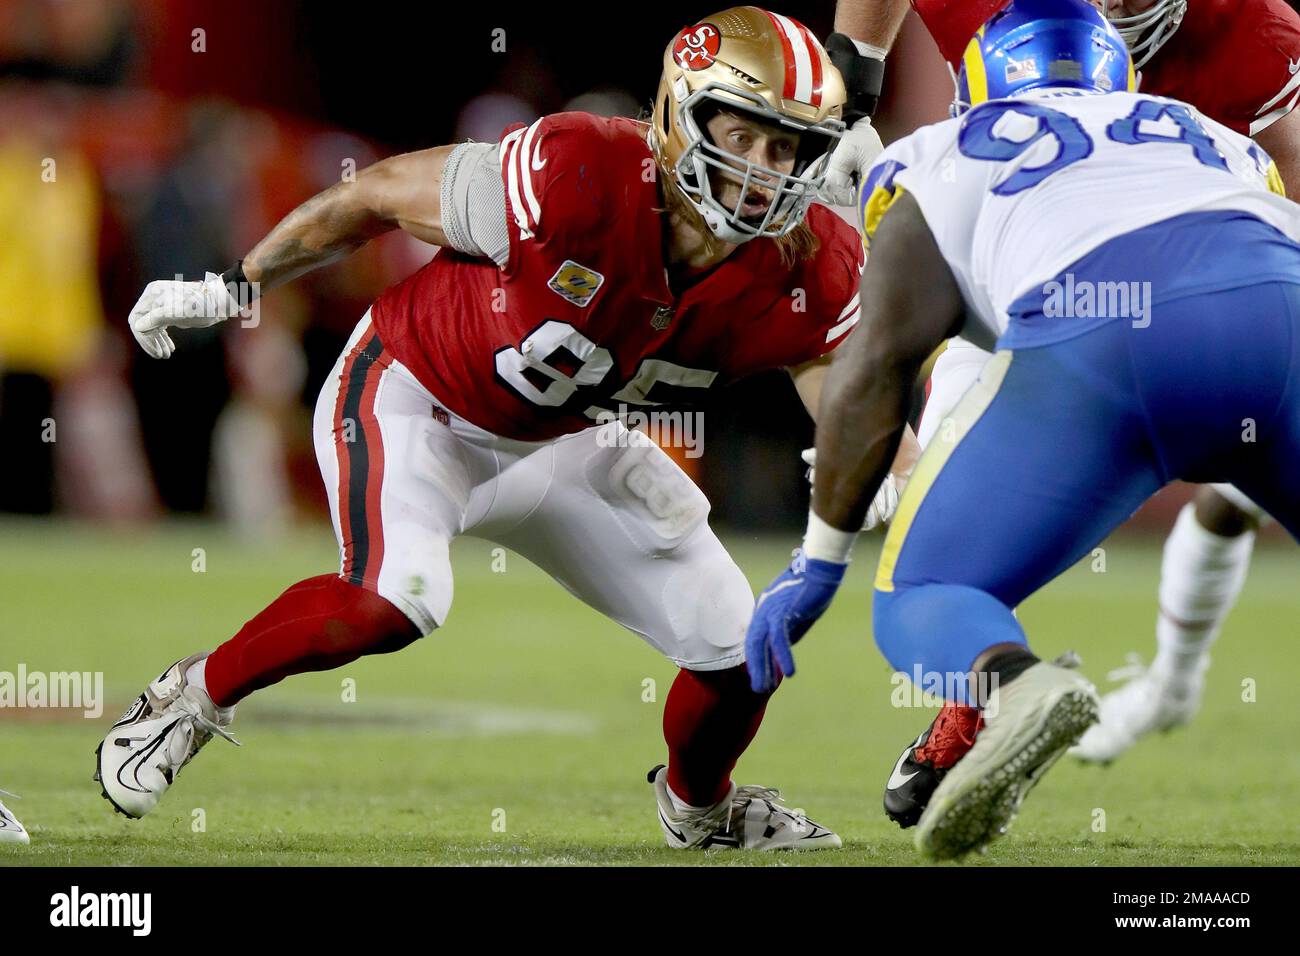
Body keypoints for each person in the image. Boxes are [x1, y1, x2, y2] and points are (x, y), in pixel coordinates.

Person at [96, 6, 918, 852]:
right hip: (415, 394)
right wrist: (239, 285)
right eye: (744, 137)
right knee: (396, 600)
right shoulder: (578, 173)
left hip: (565, 438)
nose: (762, 171)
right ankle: (191, 696)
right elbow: (373, 193)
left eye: (787, 149)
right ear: (682, 113)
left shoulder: (806, 261)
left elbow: (851, 391)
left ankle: (700, 807)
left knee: (738, 645)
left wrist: (896, 469)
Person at [745, 0, 1300, 858]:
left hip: (1098, 337)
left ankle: (1010, 685)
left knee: (922, 594)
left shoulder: (939, 151)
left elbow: (876, 364)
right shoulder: (1211, 131)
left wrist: (819, 559)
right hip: (1278, 305)